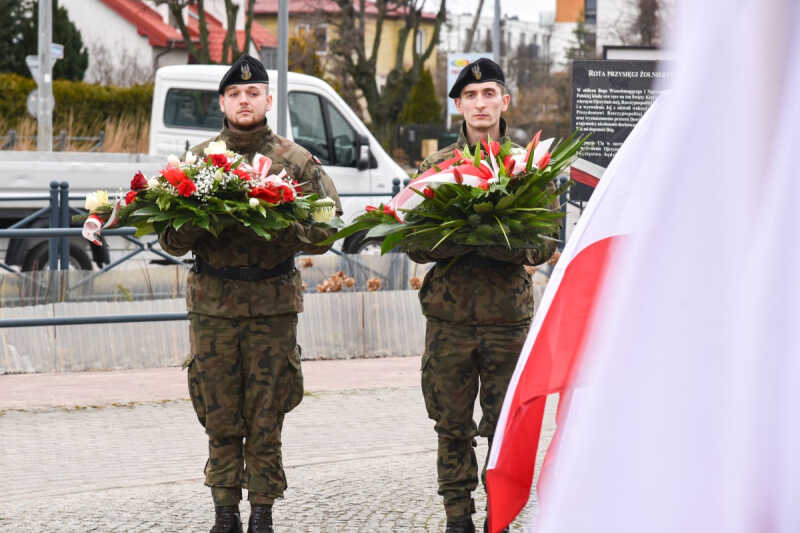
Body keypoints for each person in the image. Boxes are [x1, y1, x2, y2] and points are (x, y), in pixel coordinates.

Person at [158, 54, 340, 533]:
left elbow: (327, 227)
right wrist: (198, 222)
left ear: (267, 100)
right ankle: (224, 511)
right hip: (214, 307)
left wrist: (280, 226)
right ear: (222, 101)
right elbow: (168, 238)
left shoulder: (295, 162)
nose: (244, 100)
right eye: (235, 94)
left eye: (253, 93)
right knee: (218, 411)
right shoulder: (196, 162)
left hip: (271, 306)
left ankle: (262, 510)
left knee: (266, 411)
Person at [407, 58, 557, 533]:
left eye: (488, 93)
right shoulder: (436, 169)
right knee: (451, 425)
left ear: (504, 101)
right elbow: (411, 243)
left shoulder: (530, 167)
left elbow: (545, 241)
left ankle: (499, 518)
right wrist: (461, 234)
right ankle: (457, 518)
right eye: (470, 96)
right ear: (458, 106)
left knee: (503, 429)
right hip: (449, 321)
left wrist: (495, 235)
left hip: (506, 320)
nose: (480, 103)